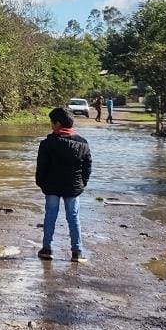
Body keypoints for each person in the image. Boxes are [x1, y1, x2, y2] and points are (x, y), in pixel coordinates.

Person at [36, 107, 92, 262]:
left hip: (52, 187)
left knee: (50, 216)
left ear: (58, 123)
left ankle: (47, 249)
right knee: (73, 217)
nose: (51, 125)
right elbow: (87, 167)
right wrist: (82, 184)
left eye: (52, 122)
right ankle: (77, 252)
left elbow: (41, 167)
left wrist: (41, 184)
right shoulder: (82, 143)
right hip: (72, 188)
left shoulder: (47, 143)